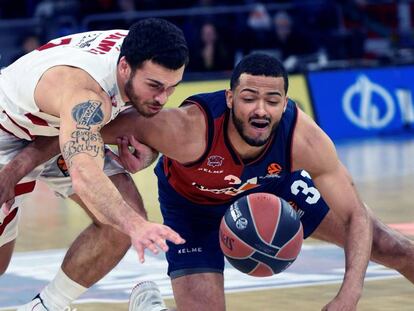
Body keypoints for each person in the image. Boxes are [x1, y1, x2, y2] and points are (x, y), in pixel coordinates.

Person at [3, 54, 414, 310]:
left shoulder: (303, 139)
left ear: (285, 104)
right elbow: (76, 134)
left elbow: (356, 215)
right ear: (231, 98)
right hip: (193, 207)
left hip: (272, 190)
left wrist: (349, 295)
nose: (260, 109)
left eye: (272, 101)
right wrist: (13, 170)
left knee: (391, 247)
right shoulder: (185, 130)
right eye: (249, 97)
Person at [0, 18, 188, 311]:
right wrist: (136, 226)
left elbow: (83, 131)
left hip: (55, 131)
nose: (163, 98)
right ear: (124, 66)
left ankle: (47, 306)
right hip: (8, 130)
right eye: (154, 86)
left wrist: (146, 155)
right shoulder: (87, 94)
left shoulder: (143, 47)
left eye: (172, 87)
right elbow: (83, 172)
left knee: (121, 216)